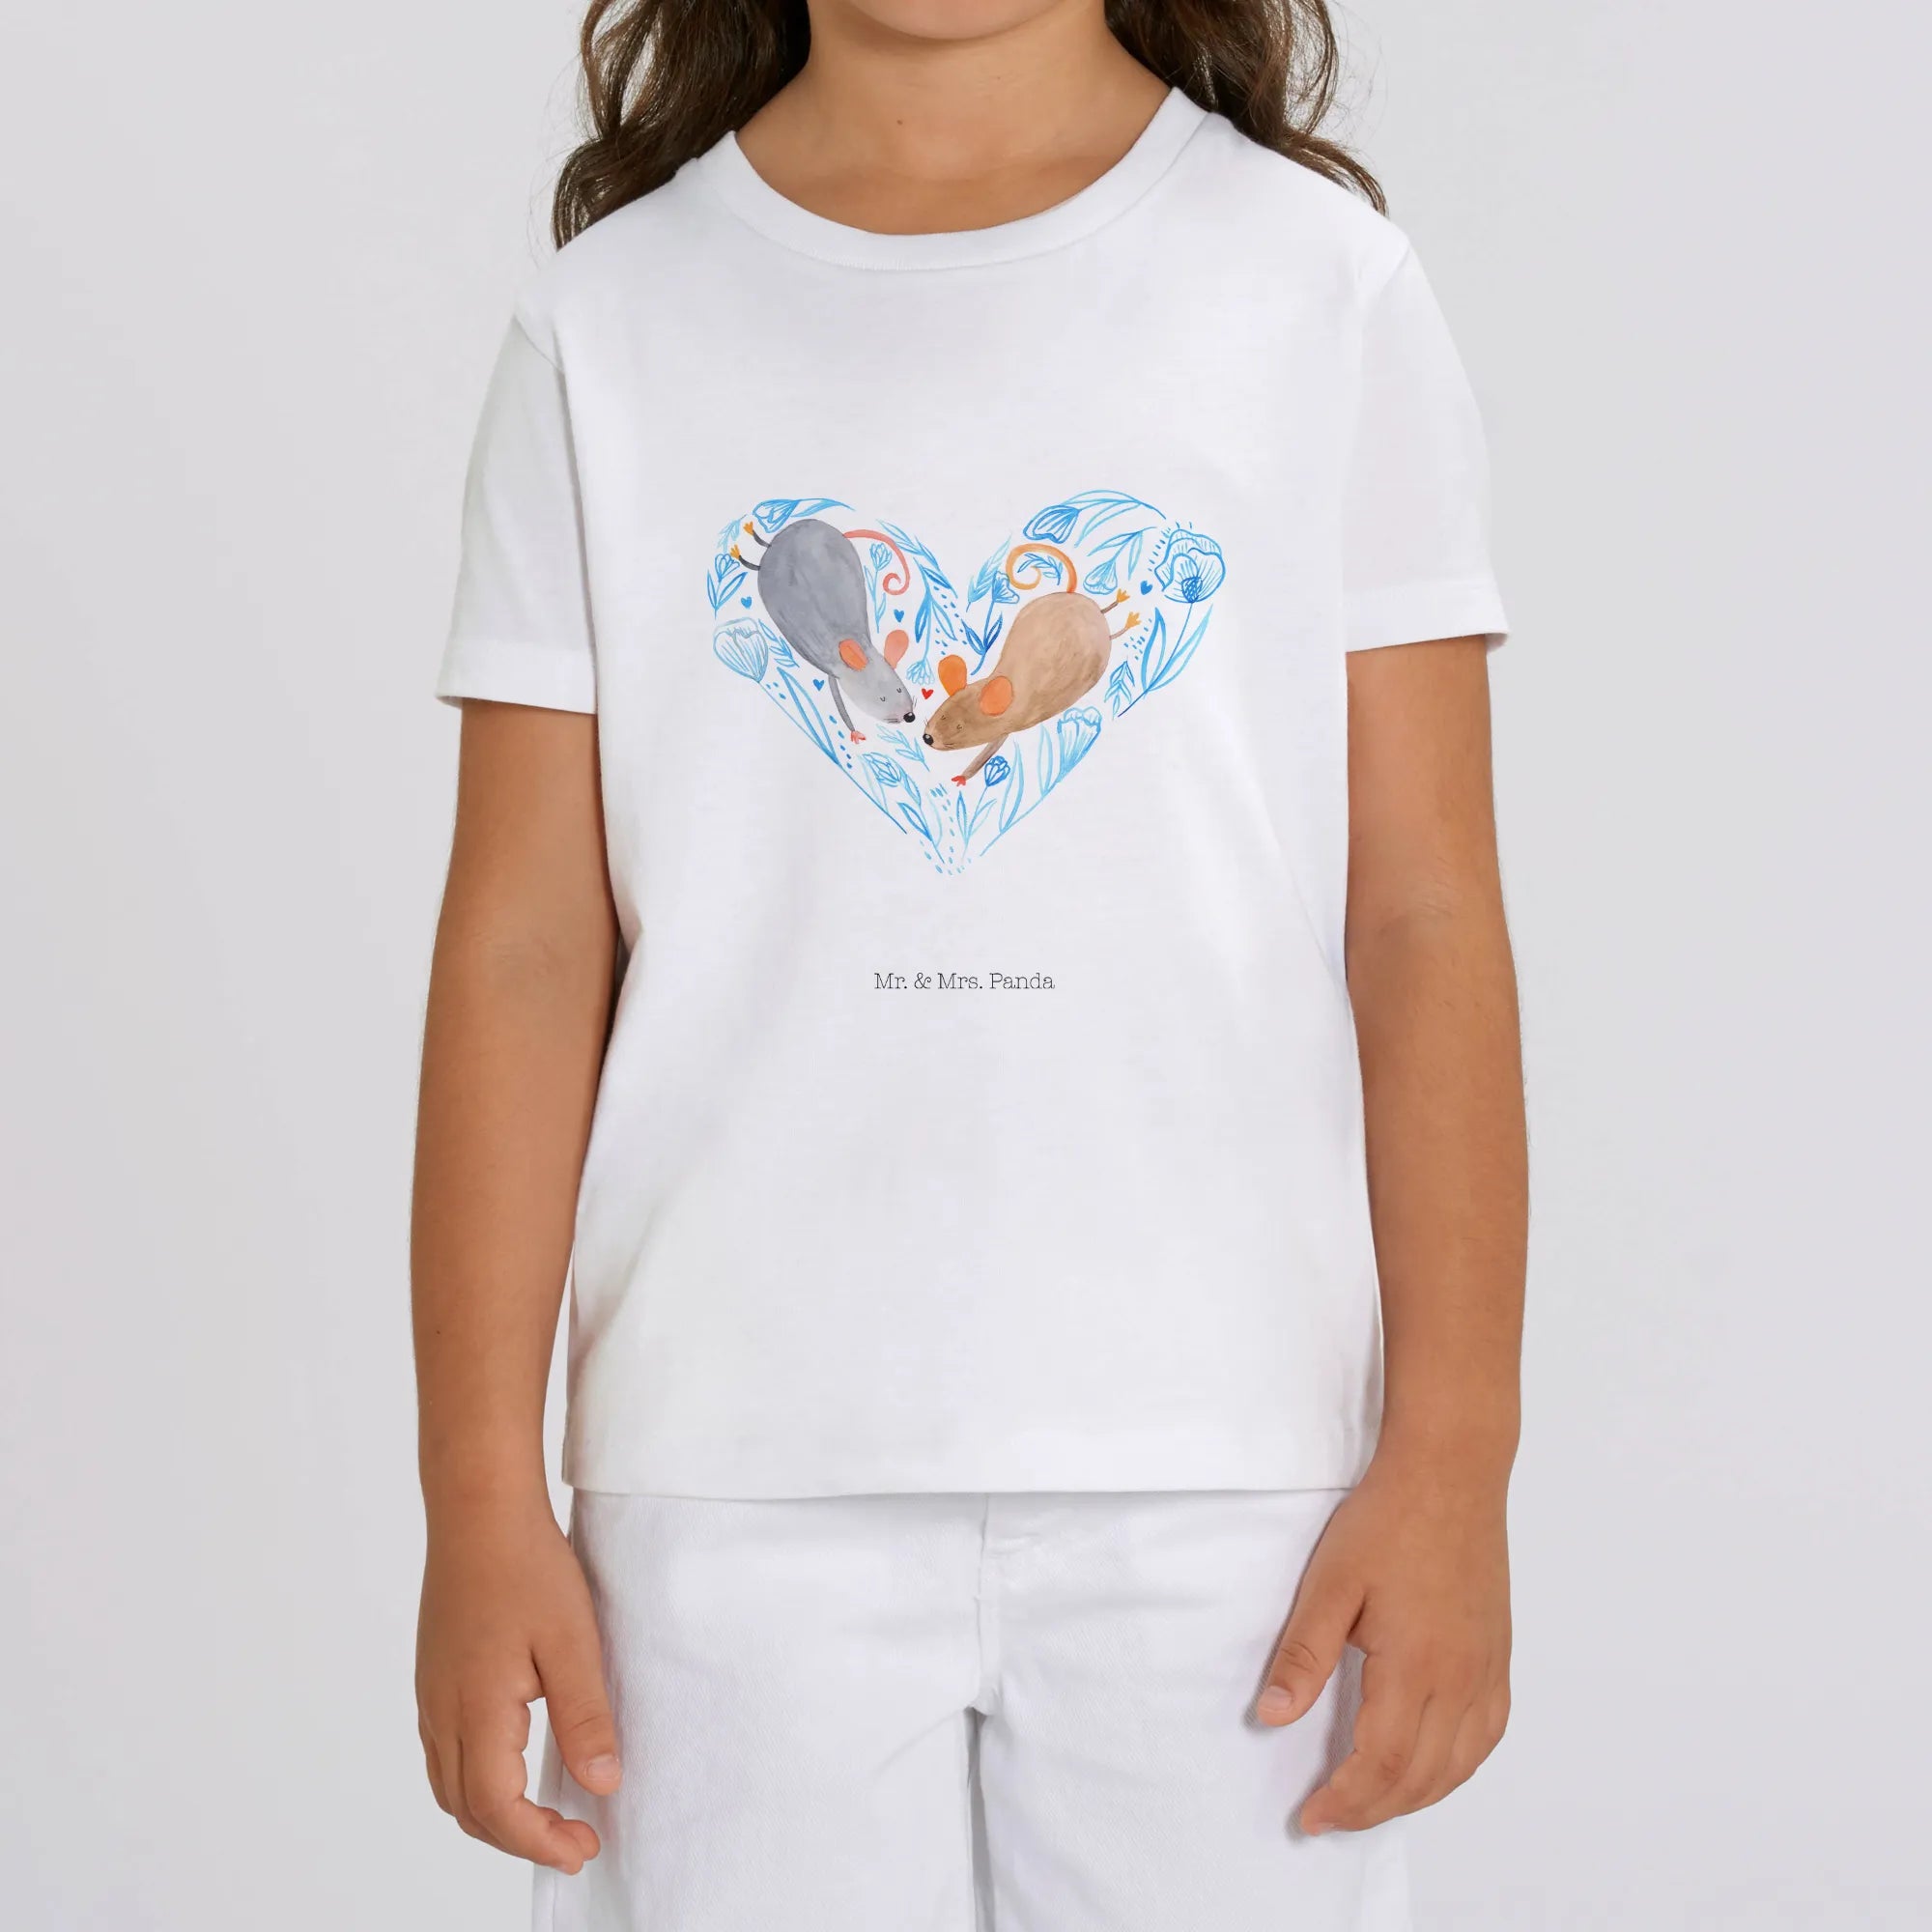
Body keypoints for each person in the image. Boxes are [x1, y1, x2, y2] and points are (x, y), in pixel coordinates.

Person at [412, 3, 1527, 1927]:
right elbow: (521, 945)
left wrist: (1456, 1456)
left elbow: (1422, 916)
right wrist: (475, 1492)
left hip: (1235, 1485)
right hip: (721, 1479)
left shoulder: (1318, 289)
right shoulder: (611, 325)